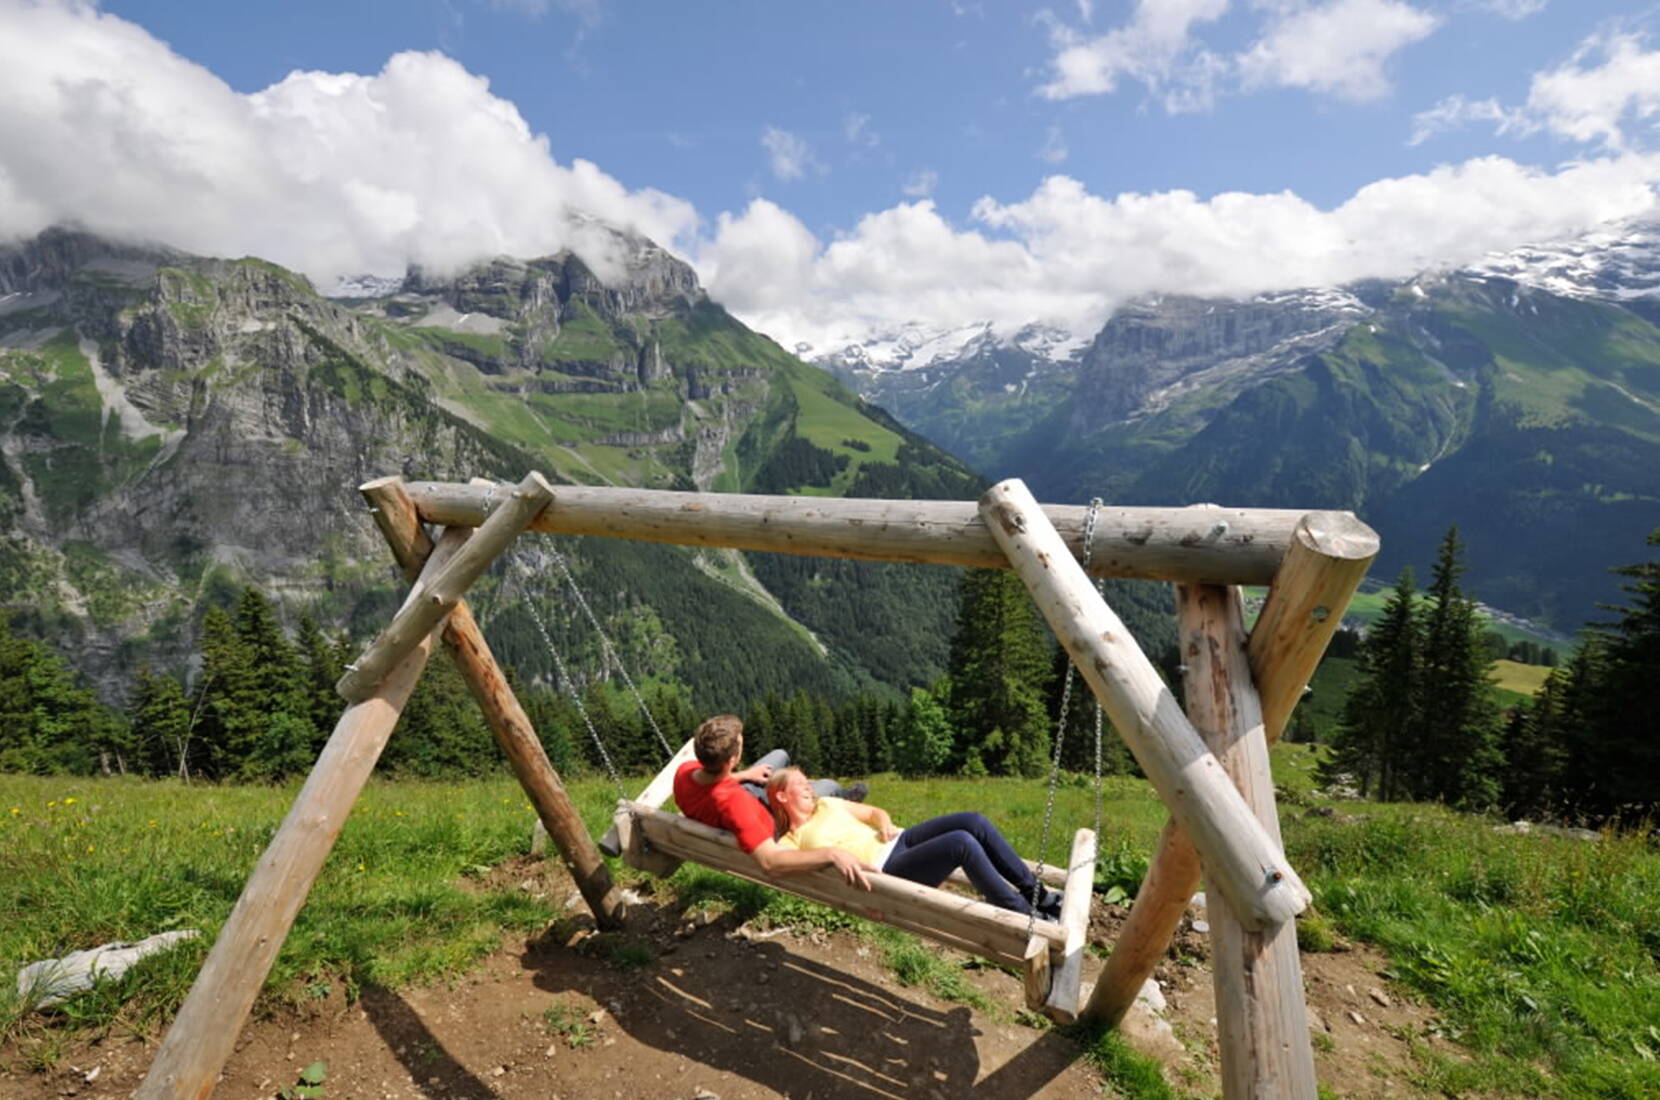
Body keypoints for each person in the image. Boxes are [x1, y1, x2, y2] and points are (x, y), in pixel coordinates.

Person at [765, 766, 1063, 920]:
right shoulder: (792, 840)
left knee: (974, 821)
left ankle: (1035, 892)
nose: (810, 788)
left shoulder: (828, 803)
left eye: (809, 783)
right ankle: (1023, 915)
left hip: (898, 841)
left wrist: (883, 823)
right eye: (802, 785)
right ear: (781, 796)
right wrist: (830, 853)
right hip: (888, 868)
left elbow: (872, 811)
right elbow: (776, 865)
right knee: (961, 843)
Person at [672, 714, 873, 887]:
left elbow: (714, 781)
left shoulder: (686, 770)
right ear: (732, 760)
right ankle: (843, 796)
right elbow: (770, 862)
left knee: (780, 755)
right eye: (741, 744)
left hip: (745, 794)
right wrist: (831, 854)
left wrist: (746, 774)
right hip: (769, 816)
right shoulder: (735, 805)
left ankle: (792, 783)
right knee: (828, 786)